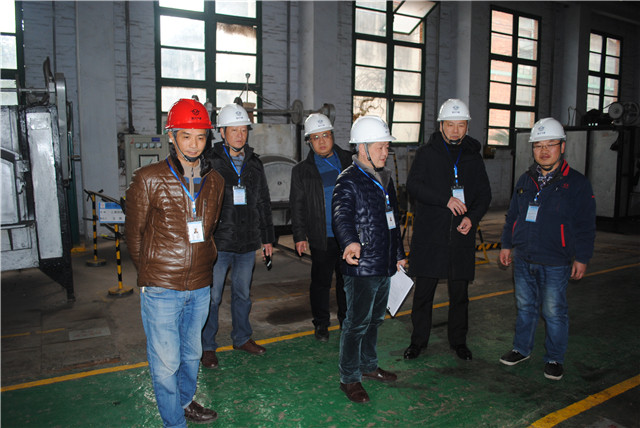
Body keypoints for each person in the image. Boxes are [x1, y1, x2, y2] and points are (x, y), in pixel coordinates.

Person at [125, 98, 224, 427]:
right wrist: (151, 276)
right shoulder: (148, 178)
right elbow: (134, 236)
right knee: (166, 363)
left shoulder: (216, 182)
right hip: (162, 288)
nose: (194, 145)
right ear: (171, 136)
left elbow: (210, 229)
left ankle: (185, 402)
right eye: (186, 136)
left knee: (192, 354)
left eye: (200, 137)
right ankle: (174, 422)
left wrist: (203, 264)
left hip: (200, 285)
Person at [498, 117, 596, 381]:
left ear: (562, 147)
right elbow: (513, 216)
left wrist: (582, 257)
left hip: (555, 260)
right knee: (525, 306)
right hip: (524, 257)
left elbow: (586, 225)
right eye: (538, 145)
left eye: (550, 144)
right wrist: (507, 244)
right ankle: (521, 349)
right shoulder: (525, 179)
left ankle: (554, 358)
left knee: (553, 311)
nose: (543, 151)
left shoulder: (576, 183)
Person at [404, 98, 492, 362]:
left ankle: (459, 342)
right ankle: (418, 341)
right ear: (441, 125)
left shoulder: (473, 156)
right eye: (450, 125)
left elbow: (484, 194)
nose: (455, 130)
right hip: (430, 235)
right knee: (423, 293)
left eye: (461, 125)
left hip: (460, 236)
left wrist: (472, 218)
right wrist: (445, 199)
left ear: (467, 127)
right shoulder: (426, 153)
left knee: (460, 294)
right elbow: (413, 186)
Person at [332, 115, 407, 403]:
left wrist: (398, 255)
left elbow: (393, 220)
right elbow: (341, 216)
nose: (385, 153)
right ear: (362, 148)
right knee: (356, 324)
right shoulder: (348, 180)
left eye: (387, 147)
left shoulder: (384, 179)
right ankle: (349, 378)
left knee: (375, 320)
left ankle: (368, 365)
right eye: (380, 147)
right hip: (361, 266)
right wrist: (350, 242)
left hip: (384, 264)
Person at [201, 103, 275, 369]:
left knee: (243, 293)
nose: (239, 135)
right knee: (212, 297)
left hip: (246, 242)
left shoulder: (255, 163)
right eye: (234, 130)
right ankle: (207, 346)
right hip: (219, 242)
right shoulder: (209, 162)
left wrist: (267, 238)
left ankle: (242, 338)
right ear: (222, 132)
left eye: (243, 130)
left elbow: (263, 202)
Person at [289, 113, 351, 341]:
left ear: (332, 135)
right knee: (321, 283)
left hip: (348, 236)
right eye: (316, 137)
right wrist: (299, 235)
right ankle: (321, 323)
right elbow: (297, 205)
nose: (322, 141)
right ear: (309, 141)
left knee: (347, 282)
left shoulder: (350, 160)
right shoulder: (301, 171)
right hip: (321, 235)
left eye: (325, 135)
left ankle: (347, 321)